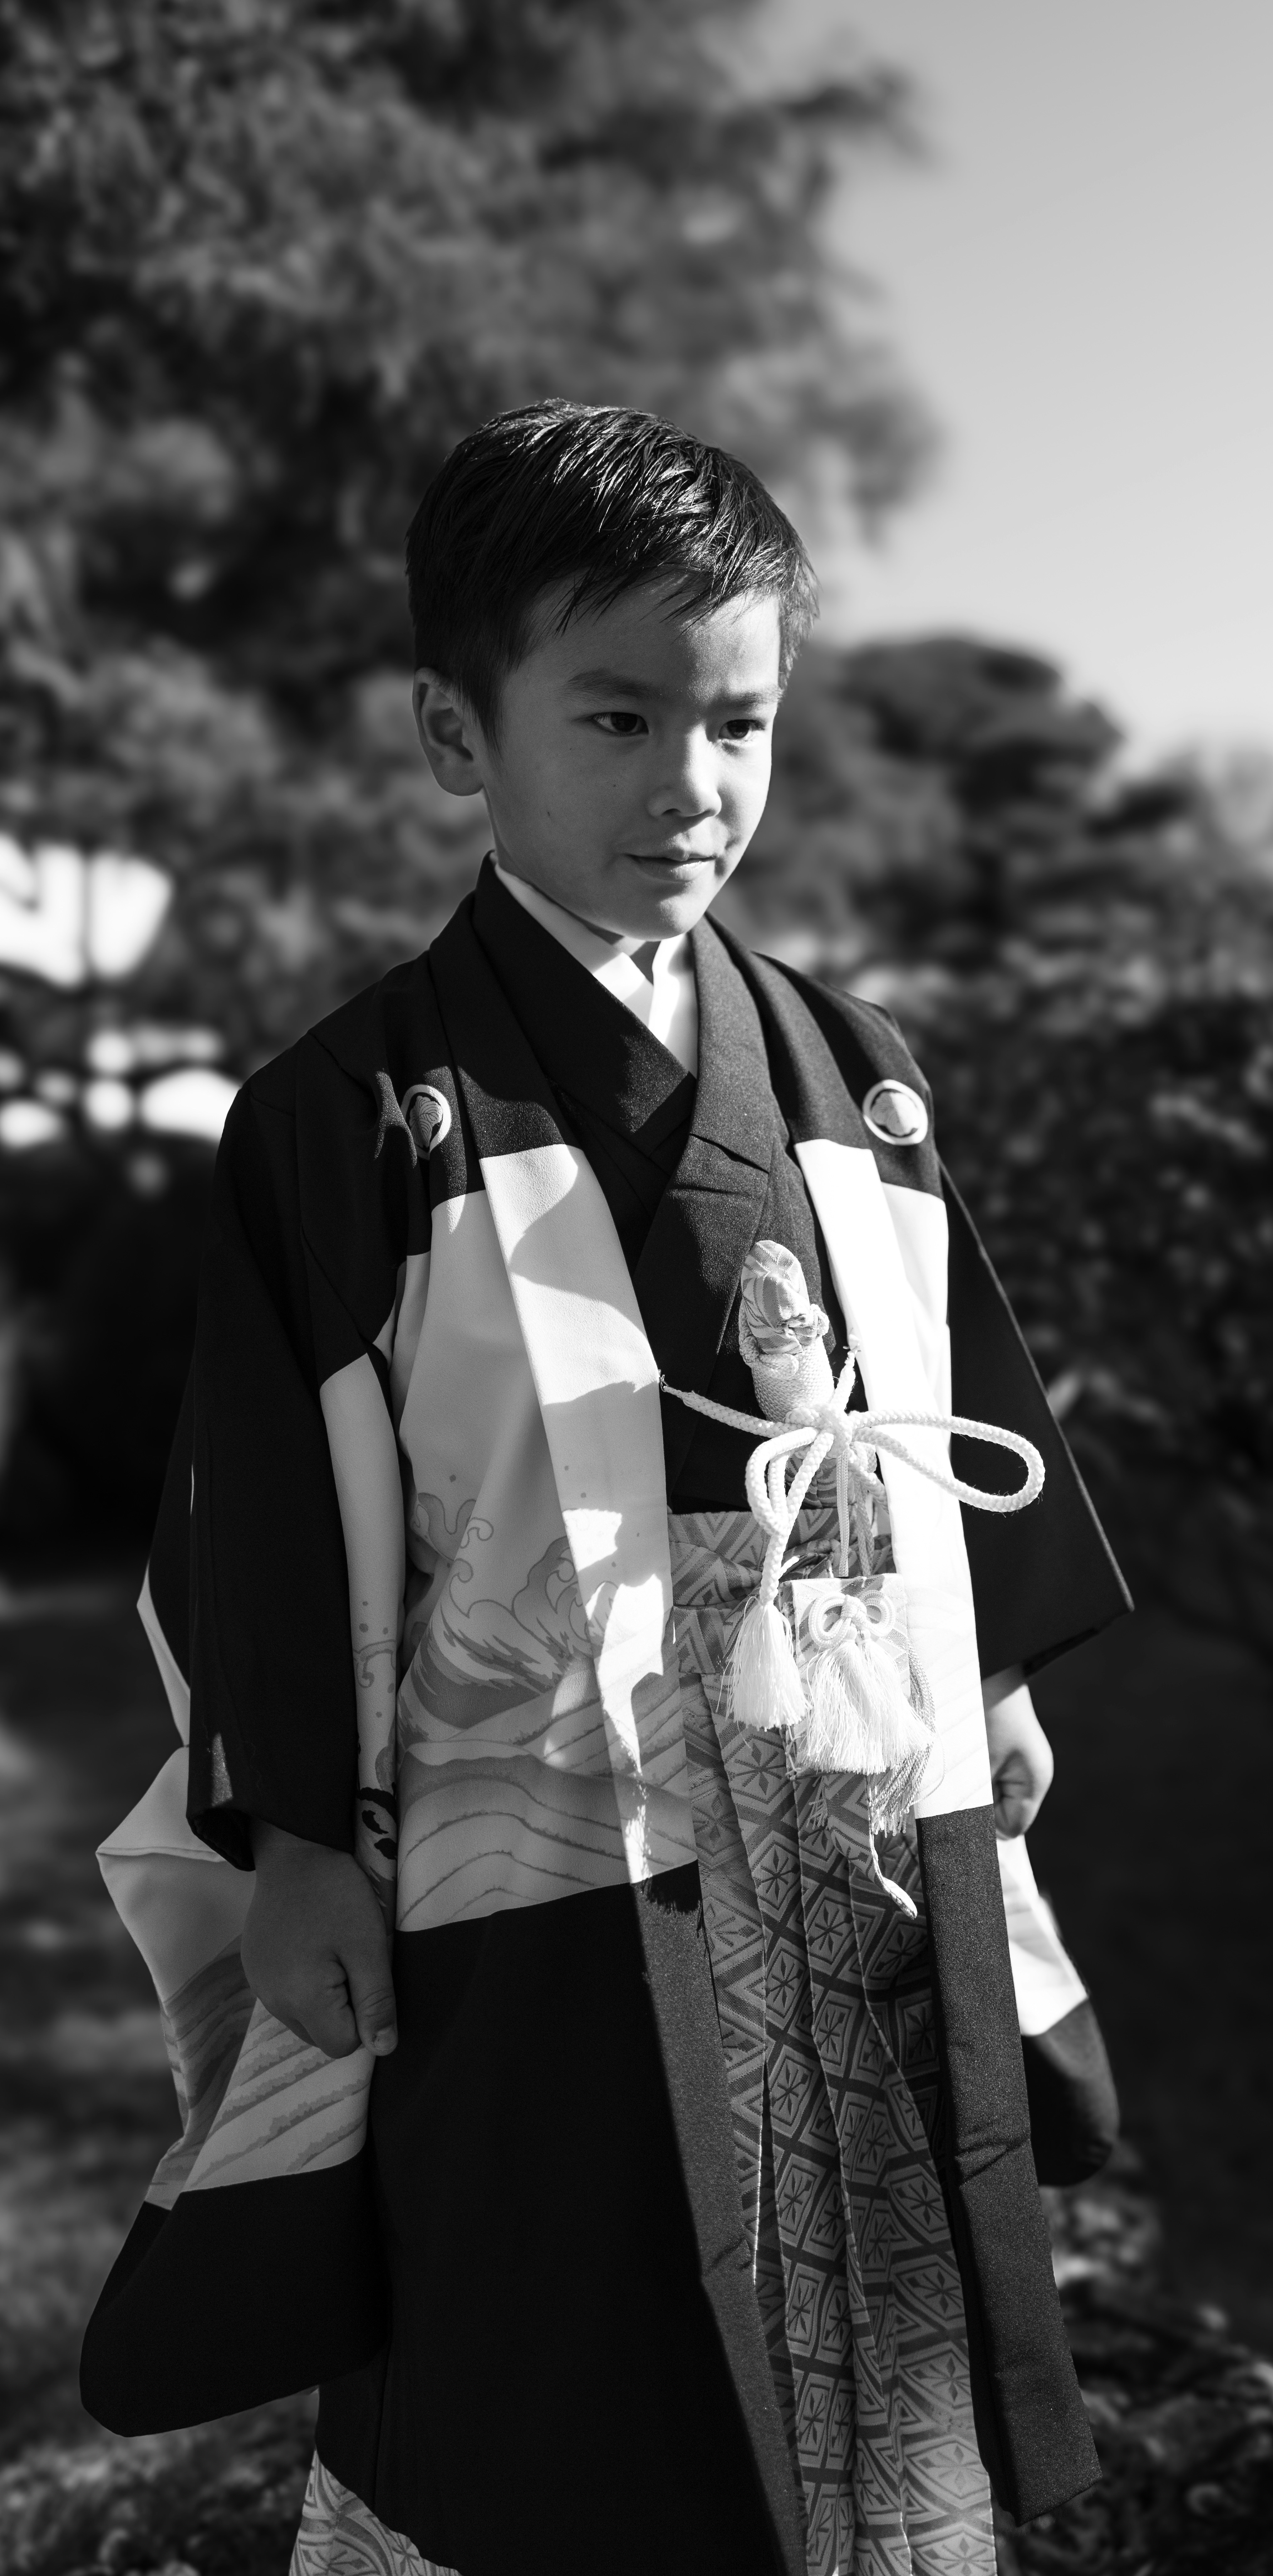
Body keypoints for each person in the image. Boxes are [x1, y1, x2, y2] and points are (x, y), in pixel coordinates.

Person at [81, 401, 1131, 2576]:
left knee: (879, 2258)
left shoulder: (858, 1073)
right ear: (457, 734)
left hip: (839, 1772)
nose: (691, 783)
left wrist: (993, 1672)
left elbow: (950, 1401)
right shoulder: (354, 1111)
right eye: (620, 714)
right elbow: (261, 1508)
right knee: (542, 2283)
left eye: (737, 721)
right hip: (531, 1798)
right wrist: (291, 1831)